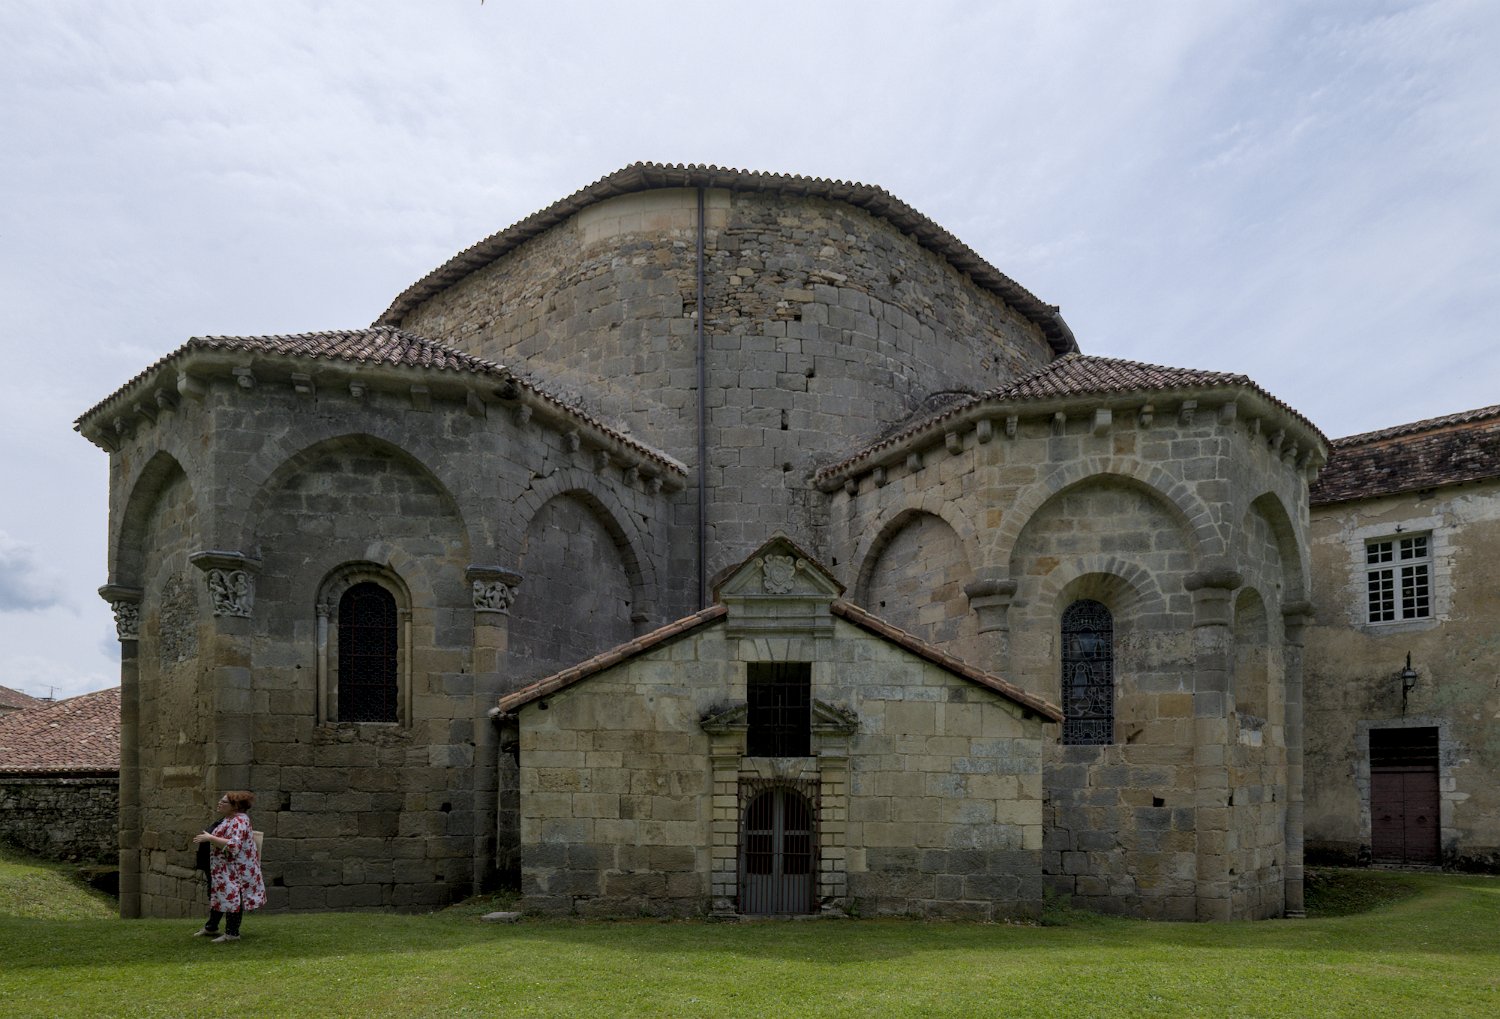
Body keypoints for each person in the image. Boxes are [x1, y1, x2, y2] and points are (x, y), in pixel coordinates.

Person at [191, 790, 266, 943]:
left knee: (234, 898)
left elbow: (234, 845)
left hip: (236, 870)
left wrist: (209, 837)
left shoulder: (239, 821)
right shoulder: (229, 818)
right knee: (221, 895)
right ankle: (211, 927)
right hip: (224, 868)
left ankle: (232, 933)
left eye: (224, 802)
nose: (219, 803)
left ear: (235, 806)